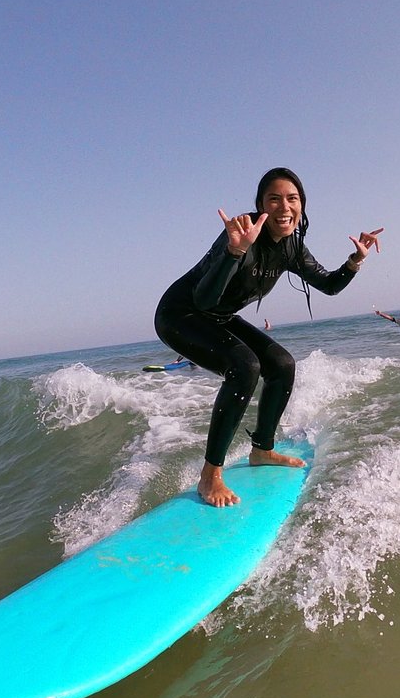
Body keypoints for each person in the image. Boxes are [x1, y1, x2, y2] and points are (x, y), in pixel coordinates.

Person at [155, 167, 383, 507]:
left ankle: (262, 450)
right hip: (180, 314)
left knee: (281, 364)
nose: (284, 207)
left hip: (219, 317)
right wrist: (234, 252)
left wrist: (356, 260)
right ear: (261, 205)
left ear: (302, 206)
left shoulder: (291, 247)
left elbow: (330, 285)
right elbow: (203, 300)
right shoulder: (242, 232)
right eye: (273, 199)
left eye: (292, 199)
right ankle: (210, 475)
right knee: (244, 366)